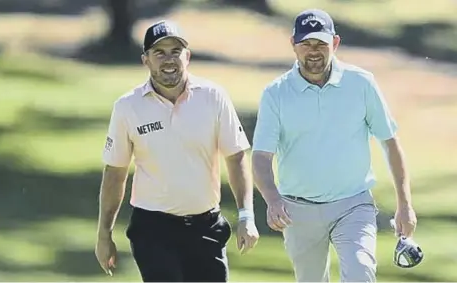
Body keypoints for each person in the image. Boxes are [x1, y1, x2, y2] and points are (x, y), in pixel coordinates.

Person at [251, 9, 417, 282]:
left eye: (321, 44)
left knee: (361, 272)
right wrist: (272, 199)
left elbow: (390, 142)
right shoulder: (275, 93)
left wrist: (405, 205)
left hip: (353, 204)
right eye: (306, 44)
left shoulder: (361, 83)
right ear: (293, 44)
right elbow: (260, 157)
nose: (313, 51)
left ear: (335, 44)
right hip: (298, 210)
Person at [94, 20, 259, 282]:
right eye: (159, 53)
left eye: (175, 51)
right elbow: (115, 173)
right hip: (153, 229)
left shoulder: (213, 97)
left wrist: (246, 216)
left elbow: (236, 156)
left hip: (207, 226)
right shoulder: (127, 107)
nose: (168, 60)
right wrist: (105, 234)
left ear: (188, 57)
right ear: (145, 60)